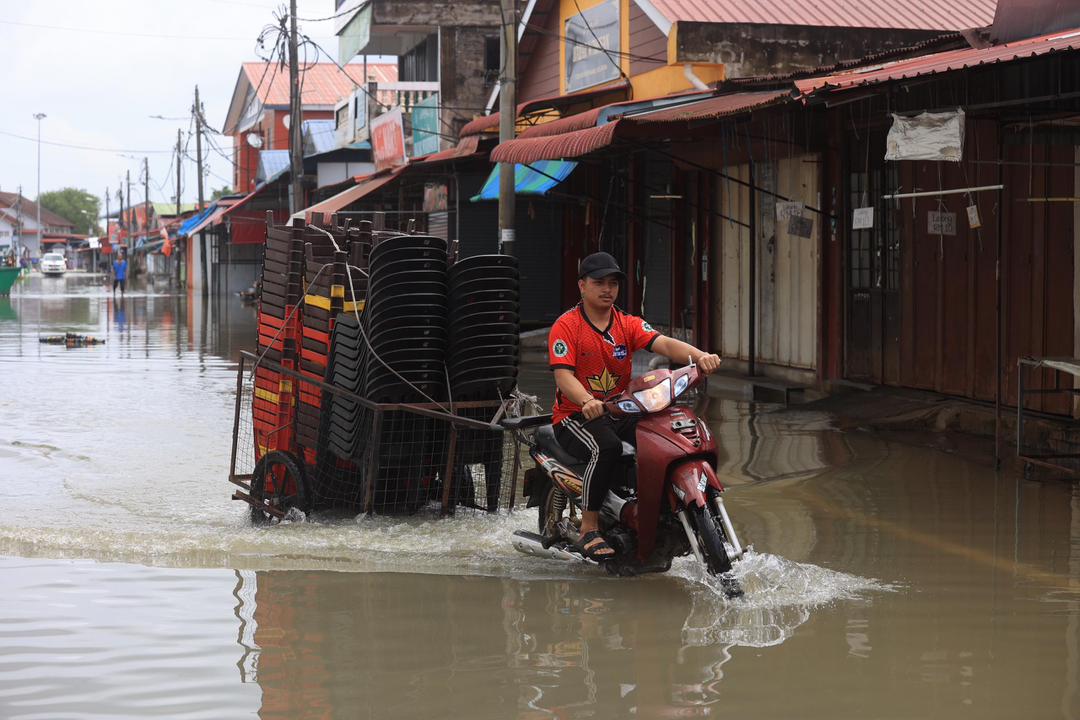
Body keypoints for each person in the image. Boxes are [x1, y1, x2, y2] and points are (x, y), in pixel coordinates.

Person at [547, 251, 722, 561]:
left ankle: (657, 509)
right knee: (608, 448)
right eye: (599, 282)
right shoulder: (567, 326)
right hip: (576, 416)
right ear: (582, 286)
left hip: (618, 410)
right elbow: (563, 376)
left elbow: (664, 343)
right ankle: (589, 527)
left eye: (613, 283)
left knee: (662, 436)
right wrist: (587, 401)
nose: (607, 289)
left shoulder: (626, 323)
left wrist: (700, 356)